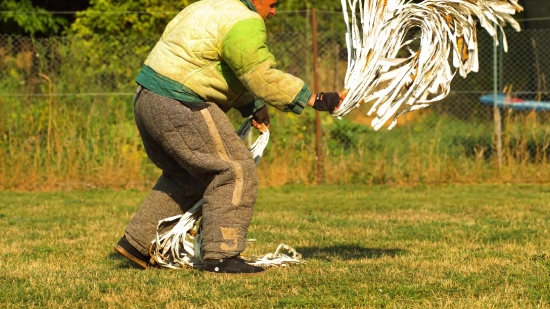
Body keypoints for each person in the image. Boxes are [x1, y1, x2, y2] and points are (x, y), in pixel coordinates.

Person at [114, 0, 346, 275]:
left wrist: (253, 107)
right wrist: (316, 99)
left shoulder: (209, 6)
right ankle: (221, 256)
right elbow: (260, 74)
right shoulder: (244, 21)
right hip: (179, 102)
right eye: (272, 4)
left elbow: (223, 68)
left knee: (187, 176)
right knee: (234, 170)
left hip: (146, 99)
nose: (274, 12)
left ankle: (138, 243)